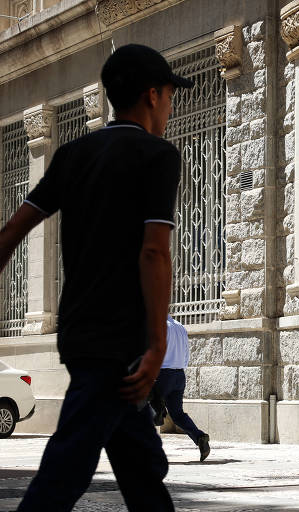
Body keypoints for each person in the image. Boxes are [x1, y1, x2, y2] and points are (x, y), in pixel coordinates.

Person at [2, 44, 192, 511]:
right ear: (152, 94)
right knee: (66, 470)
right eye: (169, 94)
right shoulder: (157, 156)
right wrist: (156, 346)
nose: (170, 104)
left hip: (79, 333)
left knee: (142, 466)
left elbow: (10, 233)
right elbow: (154, 252)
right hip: (119, 343)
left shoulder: (73, 154)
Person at [152, 315, 210, 462]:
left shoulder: (160, 325)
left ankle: (147, 448)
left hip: (163, 374)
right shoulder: (179, 326)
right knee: (177, 415)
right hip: (179, 375)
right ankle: (200, 437)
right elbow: (186, 353)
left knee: (146, 407)